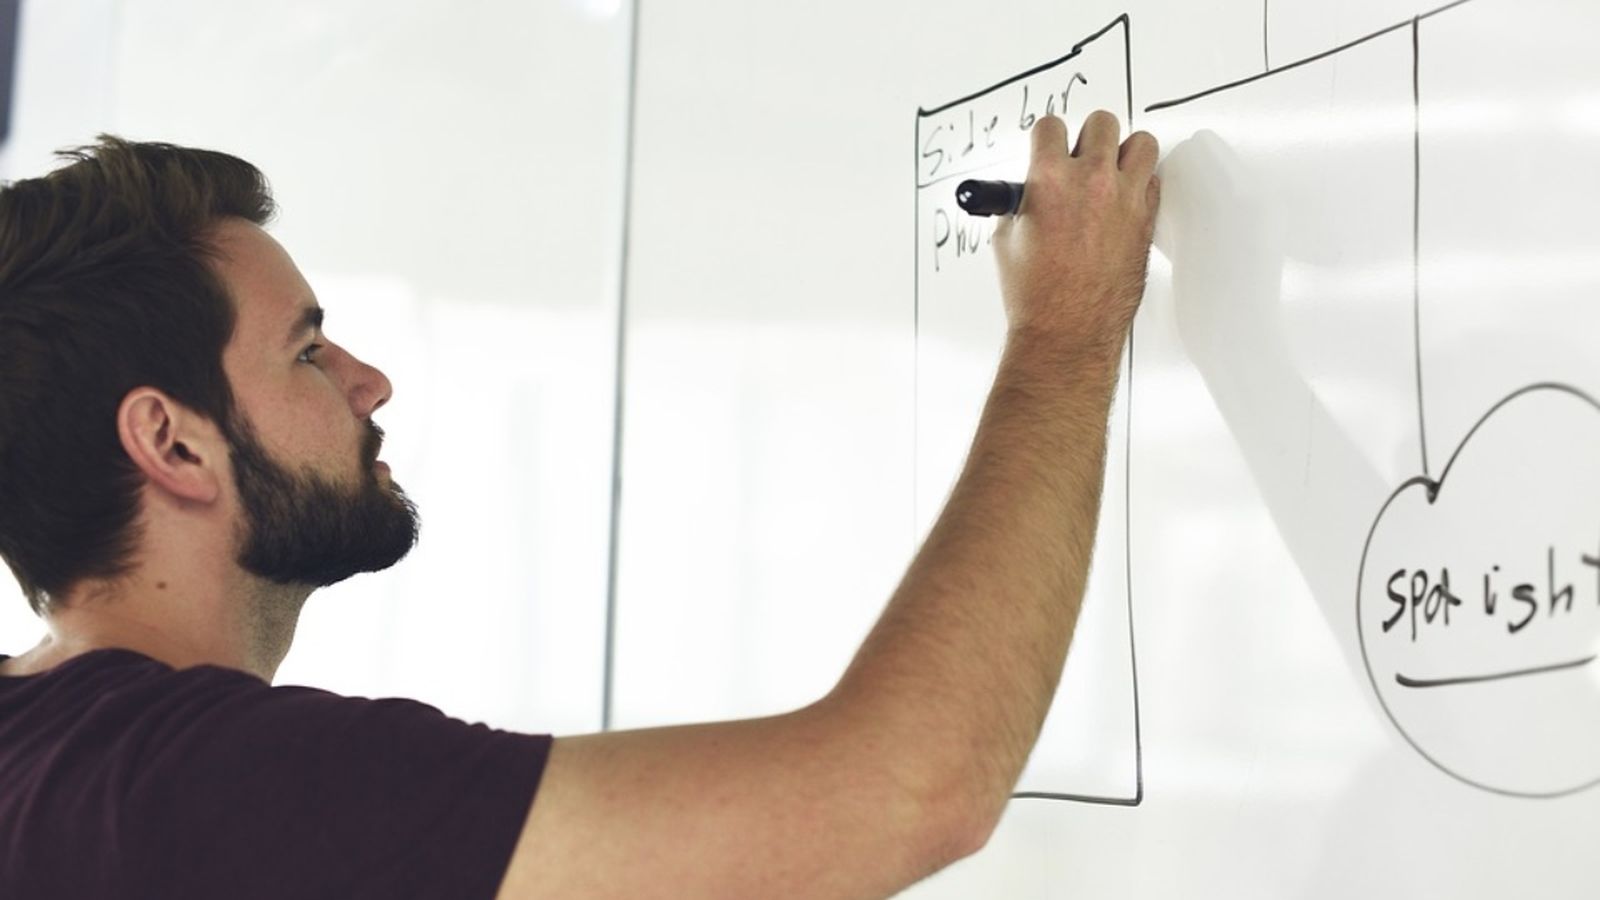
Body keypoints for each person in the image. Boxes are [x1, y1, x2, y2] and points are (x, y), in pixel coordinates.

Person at [0, 111, 1158, 898]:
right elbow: (908, 790)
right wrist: (1063, 334)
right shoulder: (207, 786)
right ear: (172, 442)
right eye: (306, 353)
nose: (367, 381)